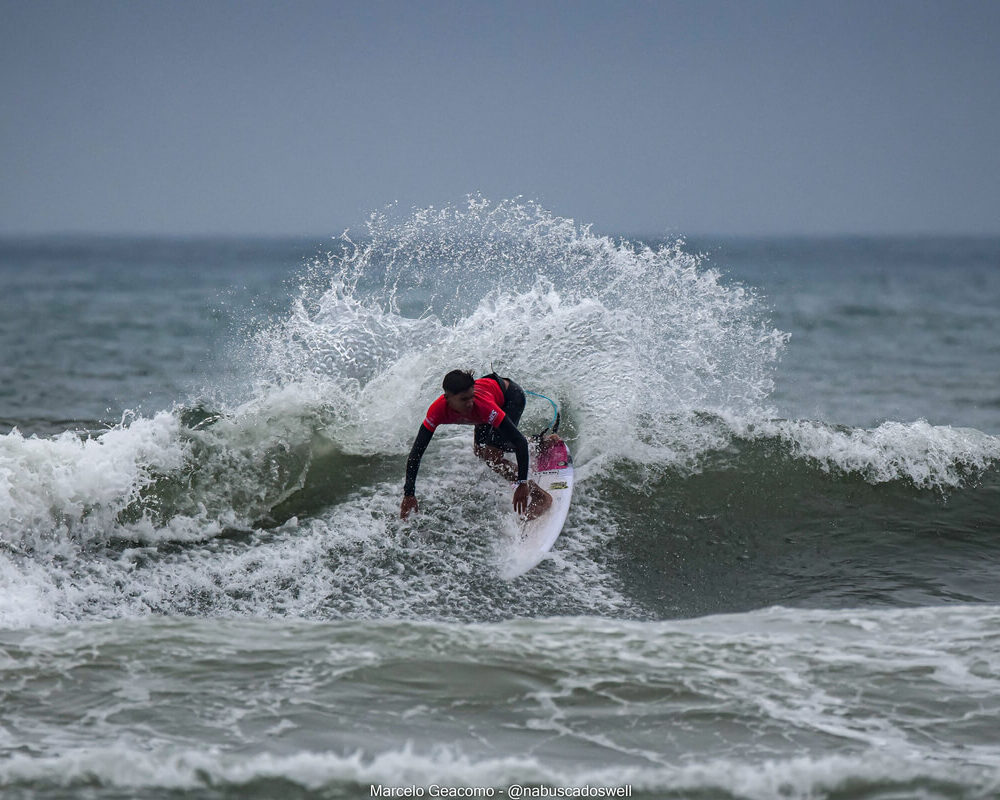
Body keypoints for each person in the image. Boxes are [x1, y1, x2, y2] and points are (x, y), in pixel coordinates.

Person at [400, 370, 552, 520]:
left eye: (471, 397)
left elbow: (519, 441)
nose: (469, 403)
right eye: (464, 399)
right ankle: (540, 443)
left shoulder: (483, 406)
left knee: (493, 457)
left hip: (510, 397)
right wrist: (409, 494)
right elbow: (416, 453)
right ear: (447, 398)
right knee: (480, 452)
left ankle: (540, 496)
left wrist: (522, 483)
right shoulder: (437, 411)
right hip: (485, 409)